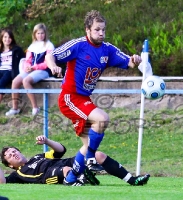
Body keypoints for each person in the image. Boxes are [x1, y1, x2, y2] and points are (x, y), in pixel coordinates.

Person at [45, 10, 143, 186]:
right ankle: (91, 161)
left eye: (103, 30)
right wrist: (53, 66)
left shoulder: (107, 49)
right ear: (87, 30)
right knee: (102, 118)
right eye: (97, 29)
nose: (101, 33)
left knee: (87, 145)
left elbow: (128, 62)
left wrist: (135, 60)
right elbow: (50, 55)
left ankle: (71, 178)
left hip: (84, 100)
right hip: (70, 97)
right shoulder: (78, 45)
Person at [0, 135, 150, 186]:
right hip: (49, 175)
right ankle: (82, 177)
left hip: (65, 163)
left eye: (14, 151)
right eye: (9, 156)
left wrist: (47, 141)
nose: (14, 154)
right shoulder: (17, 175)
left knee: (98, 155)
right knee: (67, 171)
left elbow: (60, 150)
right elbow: (2, 182)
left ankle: (132, 180)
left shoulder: (37, 157)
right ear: (9, 165)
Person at [5, 23, 54, 116]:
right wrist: (27, 66)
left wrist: (34, 67)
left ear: (45, 34)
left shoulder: (49, 46)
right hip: (31, 69)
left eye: (42, 33)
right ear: (35, 34)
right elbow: (28, 60)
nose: (40, 35)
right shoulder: (32, 46)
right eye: (38, 33)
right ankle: (15, 108)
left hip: (44, 70)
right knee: (15, 81)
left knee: (26, 81)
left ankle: (35, 107)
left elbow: (47, 63)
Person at [0, 29, 25, 104]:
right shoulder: (0, 50)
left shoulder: (17, 50)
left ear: (12, 39)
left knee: (1, 83)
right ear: (1, 38)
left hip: (10, 71)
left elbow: (23, 60)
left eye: (9, 37)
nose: (7, 39)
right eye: (5, 37)